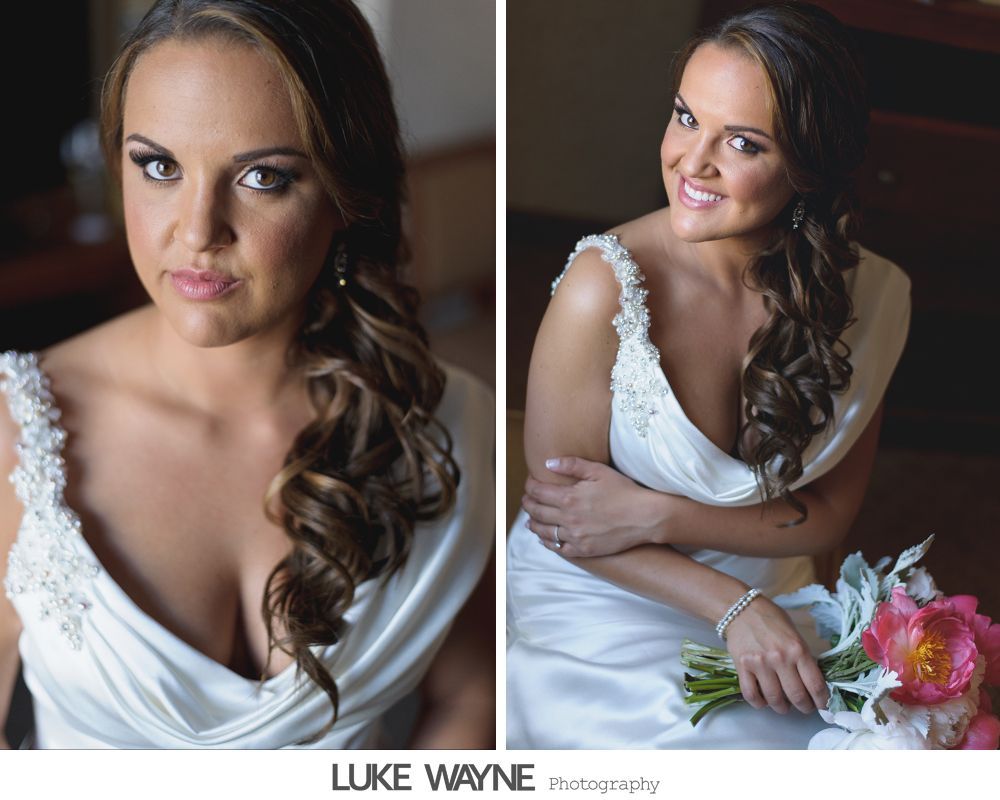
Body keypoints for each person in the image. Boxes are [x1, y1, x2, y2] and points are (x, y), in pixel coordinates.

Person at [0, 0, 494, 749]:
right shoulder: (12, 431)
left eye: (263, 177)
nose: (197, 232)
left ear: (343, 197)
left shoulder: (448, 423)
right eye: (158, 166)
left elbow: (469, 696)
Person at [507, 3, 911, 748]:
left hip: (769, 590)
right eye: (686, 117)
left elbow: (827, 513)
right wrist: (730, 606)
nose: (693, 163)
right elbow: (569, 526)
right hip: (603, 599)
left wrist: (666, 515)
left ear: (809, 164)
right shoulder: (604, 288)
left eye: (743, 142)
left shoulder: (876, 297)